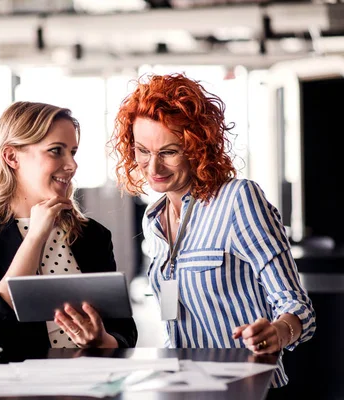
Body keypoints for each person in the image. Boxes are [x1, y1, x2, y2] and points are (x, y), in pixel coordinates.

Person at [109, 73, 315, 389]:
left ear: (196, 146)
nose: (153, 168)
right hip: (182, 386)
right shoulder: (153, 219)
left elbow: (296, 305)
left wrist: (278, 331)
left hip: (247, 388)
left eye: (168, 152)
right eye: (143, 151)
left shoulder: (238, 200)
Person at [0, 101, 137, 353]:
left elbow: (124, 332)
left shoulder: (93, 235)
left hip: (89, 384)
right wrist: (35, 237)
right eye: (56, 150)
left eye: (73, 152)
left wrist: (101, 340)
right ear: (12, 157)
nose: (72, 164)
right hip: (15, 388)